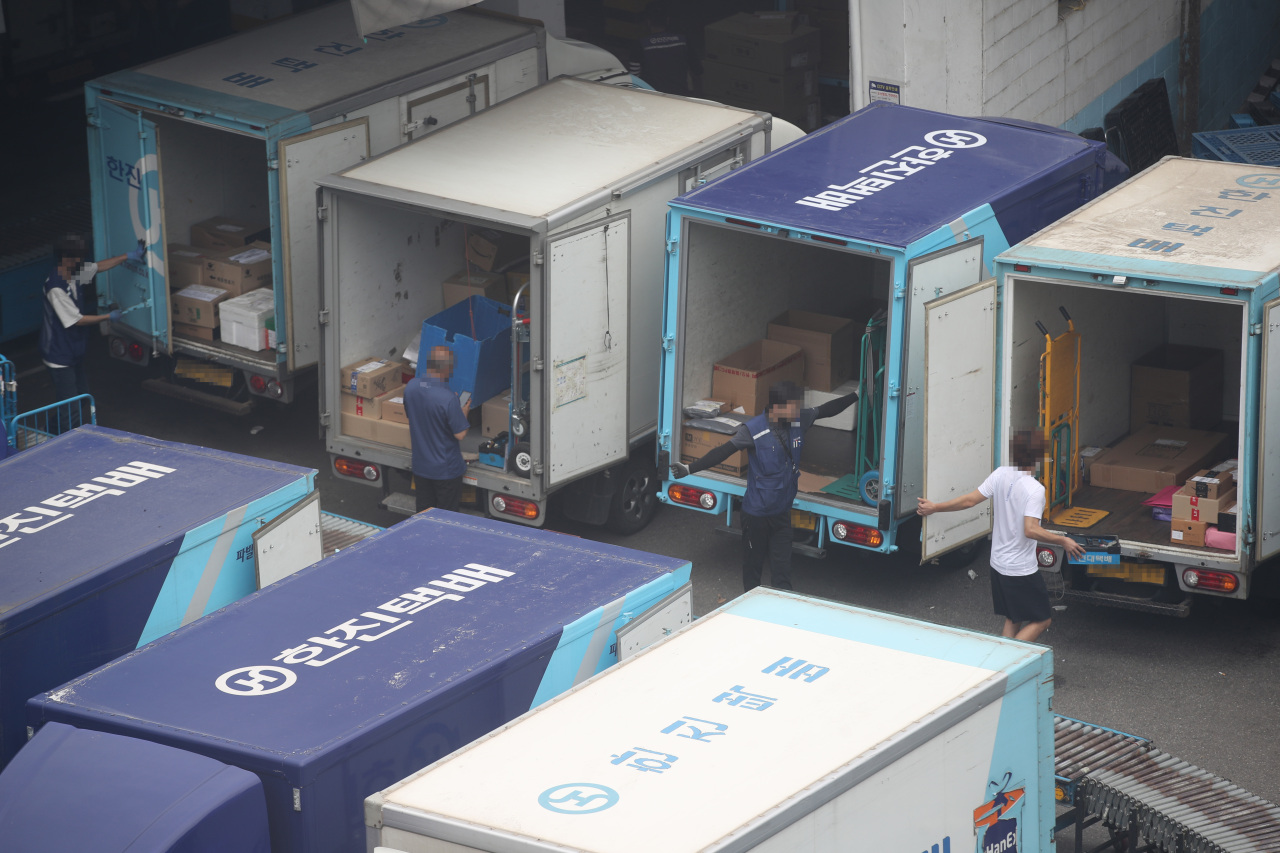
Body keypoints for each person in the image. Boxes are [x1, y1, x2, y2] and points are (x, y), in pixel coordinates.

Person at [671, 380, 857, 592]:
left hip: (782, 515)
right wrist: (689, 469)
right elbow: (723, 452)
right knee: (752, 572)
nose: (796, 411)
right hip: (756, 516)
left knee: (783, 575)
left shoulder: (798, 419)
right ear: (777, 407)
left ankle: (779, 617)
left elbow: (827, 410)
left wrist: (857, 395)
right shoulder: (754, 430)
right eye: (791, 407)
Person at [916, 430, 1085, 643]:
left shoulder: (1001, 474)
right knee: (1042, 620)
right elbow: (1030, 529)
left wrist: (935, 507)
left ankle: (1001, 661)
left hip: (997, 564)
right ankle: (1008, 661)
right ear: (1038, 458)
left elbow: (969, 500)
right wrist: (1063, 540)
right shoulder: (1035, 490)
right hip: (1020, 570)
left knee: (1013, 618)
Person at [40, 234, 145, 401]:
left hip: (73, 351)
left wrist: (129, 256)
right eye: (78, 258)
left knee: (81, 400)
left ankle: (54, 427)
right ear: (66, 258)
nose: (81, 261)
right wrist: (107, 317)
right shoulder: (56, 288)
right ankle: (54, 428)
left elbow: (97, 267)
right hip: (59, 355)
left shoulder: (72, 276)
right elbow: (77, 320)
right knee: (71, 407)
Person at [404, 345, 471, 513]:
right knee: (446, 517)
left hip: (421, 467)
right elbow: (460, 434)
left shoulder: (411, 387)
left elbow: (412, 414)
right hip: (446, 471)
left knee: (423, 514)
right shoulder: (448, 398)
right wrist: (462, 413)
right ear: (447, 368)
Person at [639, 1, 699, 96]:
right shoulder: (683, 40)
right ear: (667, 20)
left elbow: (634, 78)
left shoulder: (641, 44)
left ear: (648, 22)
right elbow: (698, 69)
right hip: (680, 96)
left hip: (653, 97)